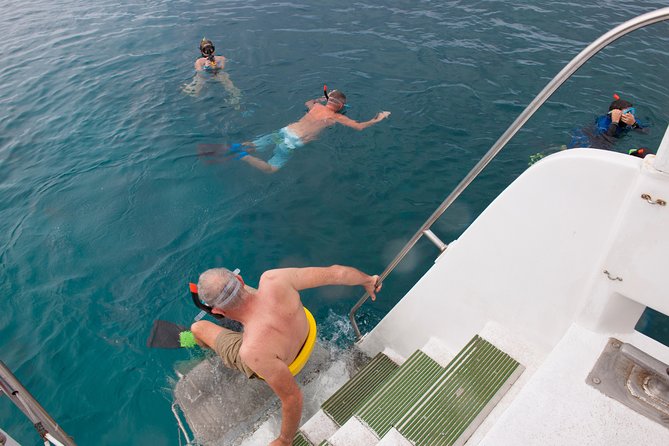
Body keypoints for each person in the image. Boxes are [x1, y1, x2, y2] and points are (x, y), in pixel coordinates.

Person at [190, 265, 381, 446]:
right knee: (250, 293)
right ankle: (237, 299)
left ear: (216, 311)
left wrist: (284, 440)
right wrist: (367, 280)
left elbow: (292, 397)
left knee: (198, 328)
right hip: (304, 333)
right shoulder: (275, 279)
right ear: (239, 279)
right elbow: (336, 273)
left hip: (272, 354)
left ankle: (205, 345)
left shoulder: (251, 351)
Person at [201, 88, 390, 173]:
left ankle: (232, 148)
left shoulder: (316, 107)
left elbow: (308, 102)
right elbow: (359, 127)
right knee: (271, 169)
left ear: (328, 100)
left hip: (284, 131)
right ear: (341, 106)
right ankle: (242, 155)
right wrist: (378, 118)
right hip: (293, 142)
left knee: (255, 144)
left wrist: (322, 99)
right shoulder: (337, 117)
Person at [567, 94, 646, 151]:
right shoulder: (604, 123)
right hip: (589, 137)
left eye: (631, 111)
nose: (630, 115)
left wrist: (634, 124)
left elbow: (645, 132)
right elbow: (606, 140)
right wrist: (615, 122)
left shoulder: (631, 120)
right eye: (627, 112)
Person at [182, 38, 241, 106]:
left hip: (217, 74)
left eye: (210, 48)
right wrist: (206, 67)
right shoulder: (199, 61)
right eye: (206, 49)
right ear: (202, 51)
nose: (208, 51)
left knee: (229, 84)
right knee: (198, 84)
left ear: (213, 49)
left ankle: (236, 99)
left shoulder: (221, 58)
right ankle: (194, 99)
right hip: (205, 75)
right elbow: (200, 72)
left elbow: (222, 68)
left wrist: (215, 66)